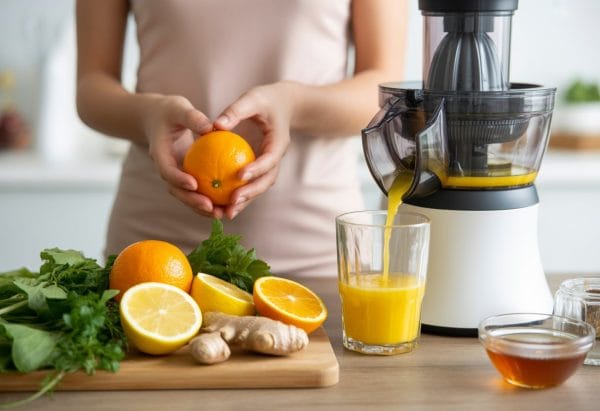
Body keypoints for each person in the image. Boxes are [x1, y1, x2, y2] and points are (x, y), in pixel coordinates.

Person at [76, 0, 407, 277]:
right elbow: (92, 85)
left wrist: (294, 105)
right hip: (154, 255)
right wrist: (149, 116)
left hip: (315, 257)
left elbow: (384, 88)